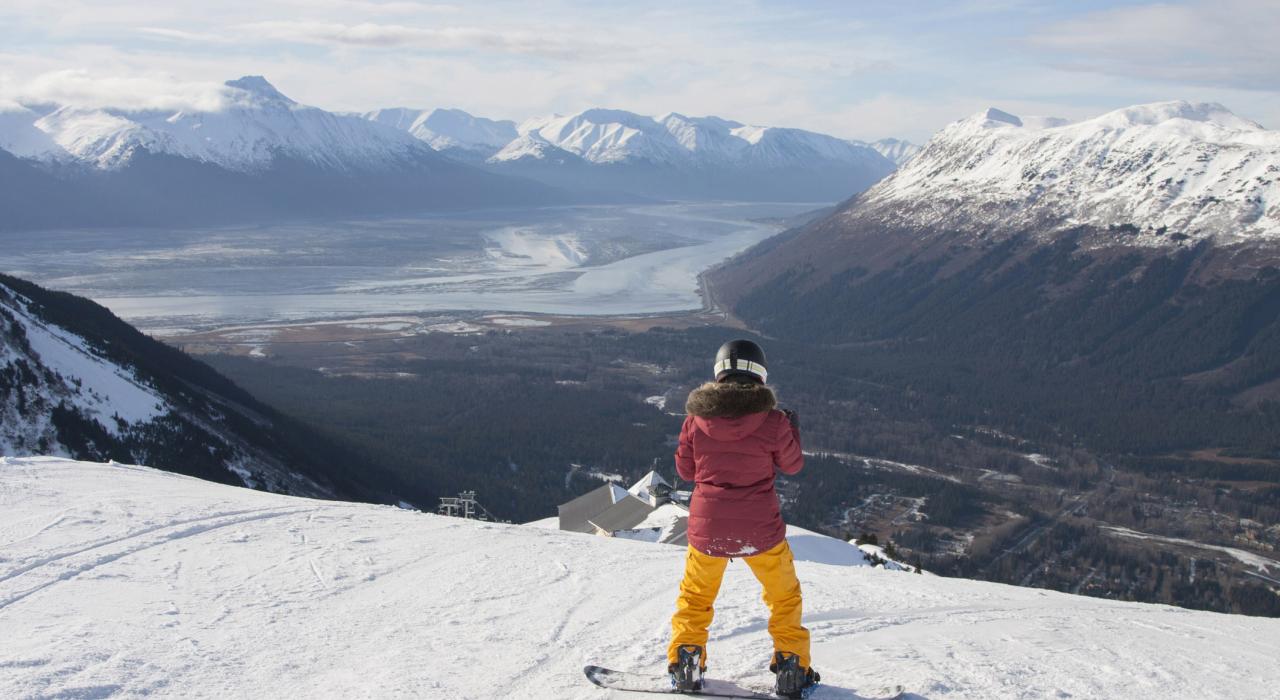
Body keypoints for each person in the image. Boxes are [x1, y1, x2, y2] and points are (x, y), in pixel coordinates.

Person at [667, 339, 819, 699]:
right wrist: (792, 430)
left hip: (708, 530)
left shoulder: (695, 420)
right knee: (783, 598)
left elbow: (686, 472)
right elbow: (793, 465)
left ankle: (687, 661)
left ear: (718, 373)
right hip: (760, 531)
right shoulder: (774, 421)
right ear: (760, 374)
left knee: (695, 597)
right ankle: (791, 667)